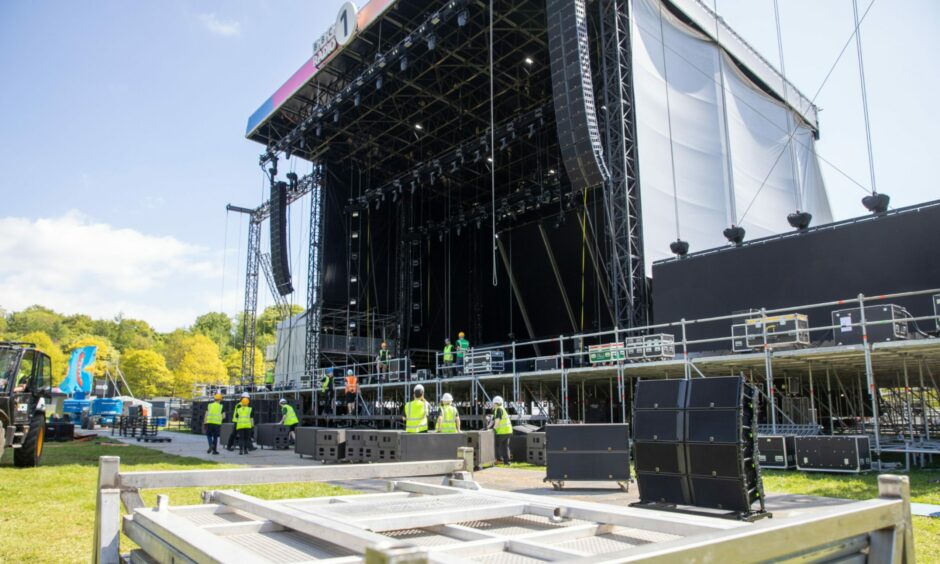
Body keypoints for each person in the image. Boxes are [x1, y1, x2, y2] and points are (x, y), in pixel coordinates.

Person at [489, 395, 512, 465]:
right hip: (508, 431)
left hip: (502, 432)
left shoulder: (499, 409)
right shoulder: (501, 409)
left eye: (493, 403)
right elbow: (493, 421)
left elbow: (497, 421)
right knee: (505, 446)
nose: (492, 404)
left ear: (495, 403)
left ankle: (498, 459)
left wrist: (493, 429)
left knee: (495, 445)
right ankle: (507, 461)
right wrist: (488, 427)